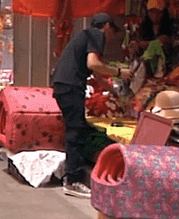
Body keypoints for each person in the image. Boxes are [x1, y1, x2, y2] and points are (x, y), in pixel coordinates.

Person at [51, 12, 132, 198]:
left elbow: (95, 74)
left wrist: (112, 91)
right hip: (71, 86)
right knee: (75, 130)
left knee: (76, 127)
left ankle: (72, 172)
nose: (111, 37)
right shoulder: (96, 35)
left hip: (63, 85)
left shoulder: (84, 35)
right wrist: (120, 72)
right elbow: (93, 63)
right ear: (107, 26)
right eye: (112, 31)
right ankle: (74, 180)